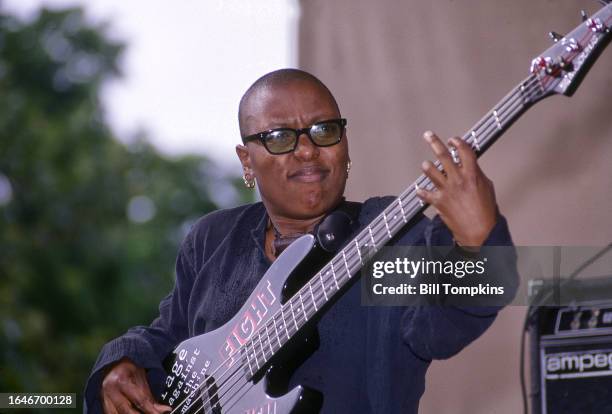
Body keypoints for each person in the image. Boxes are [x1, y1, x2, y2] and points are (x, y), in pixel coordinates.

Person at [85, 68, 516, 413]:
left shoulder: (390, 233)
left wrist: (477, 242)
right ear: (246, 160)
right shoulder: (213, 239)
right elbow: (168, 341)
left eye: (324, 131)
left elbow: (446, 323)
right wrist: (122, 362)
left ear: (345, 146)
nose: (307, 150)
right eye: (279, 138)